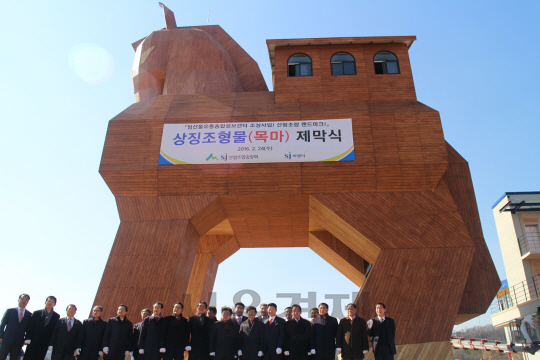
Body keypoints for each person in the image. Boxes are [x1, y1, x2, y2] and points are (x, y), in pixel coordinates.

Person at [24, 296, 59, 360]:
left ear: (54, 304)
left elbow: (54, 331)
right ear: (45, 302)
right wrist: (28, 338)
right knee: (28, 357)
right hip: (33, 340)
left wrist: (51, 344)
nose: (50, 303)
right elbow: (30, 327)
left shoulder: (56, 316)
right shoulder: (36, 313)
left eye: (52, 302)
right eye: (48, 301)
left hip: (44, 342)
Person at [0, 294, 32, 360]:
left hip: (18, 342)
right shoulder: (10, 311)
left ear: (28, 302)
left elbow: (29, 329)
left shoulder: (29, 315)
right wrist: (0, 336)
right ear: (18, 300)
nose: (24, 301)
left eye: (26, 300)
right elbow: (2, 324)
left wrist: (27, 339)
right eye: (22, 299)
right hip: (6, 340)